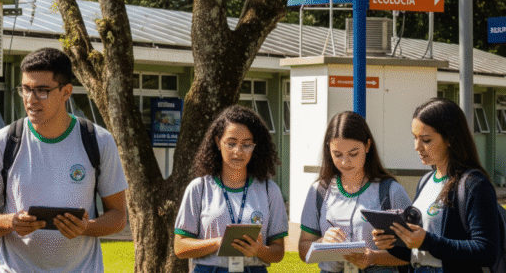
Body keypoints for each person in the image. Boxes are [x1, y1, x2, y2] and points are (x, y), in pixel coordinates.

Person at [0, 47, 128, 272]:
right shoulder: (4, 142)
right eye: (25, 89)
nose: (31, 100)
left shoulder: (98, 141)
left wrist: (85, 227)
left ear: (66, 92)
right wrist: (10, 222)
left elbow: (118, 217)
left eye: (42, 91)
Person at [372, 98, 502, 273]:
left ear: (449, 138)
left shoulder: (474, 184)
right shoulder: (426, 180)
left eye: (426, 140)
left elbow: (486, 251)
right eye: (415, 138)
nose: (417, 147)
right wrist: (392, 244)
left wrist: (427, 240)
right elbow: (419, 254)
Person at [174, 105, 288, 273]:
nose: (238, 151)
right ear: (218, 142)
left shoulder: (269, 190)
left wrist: (259, 250)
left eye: (247, 144)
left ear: (256, 146)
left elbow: (278, 252)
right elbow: (180, 247)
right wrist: (217, 243)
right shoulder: (199, 188)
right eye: (231, 143)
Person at [298, 111, 412, 273]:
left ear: (367, 145)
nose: (345, 162)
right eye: (337, 154)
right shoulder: (319, 190)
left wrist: (373, 257)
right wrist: (322, 243)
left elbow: (412, 253)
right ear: (328, 150)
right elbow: (303, 251)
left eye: (353, 153)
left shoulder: (391, 191)